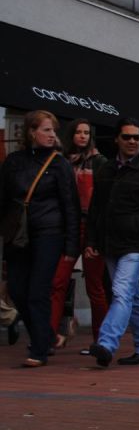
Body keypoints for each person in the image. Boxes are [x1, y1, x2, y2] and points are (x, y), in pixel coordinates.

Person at [85, 117, 139, 368]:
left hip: (137, 245)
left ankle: (107, 344)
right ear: (117, 139)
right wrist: (91, 240)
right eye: (127, 137)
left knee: (121, 292)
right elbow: (96, 209)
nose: (133, 141)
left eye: (137, 137)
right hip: (111, 244)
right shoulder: (106, 170)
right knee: (133, 297)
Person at [0, 110, 78, 367]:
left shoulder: (59, 164)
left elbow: (70, 205)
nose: (51, 135)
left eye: (53, 131)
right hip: (17, 233)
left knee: (37, 292)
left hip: (49, 233)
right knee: (17, 291)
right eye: (46, 130)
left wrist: (71, 245)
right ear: (32, 132)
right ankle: (47, 335)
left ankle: (39, 349)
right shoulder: (13, 161)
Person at [51, 119, 110, 353]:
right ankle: (50, 337)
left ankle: (101, 341)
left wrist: (97, 236)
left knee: (95, 287)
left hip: (91, 227)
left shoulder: (100, 162)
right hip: (67, 227)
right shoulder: (62, 162)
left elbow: (103, 202)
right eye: (79, 132)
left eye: (87, 132)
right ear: (71, 135)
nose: (83, 136)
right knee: (57, 282)